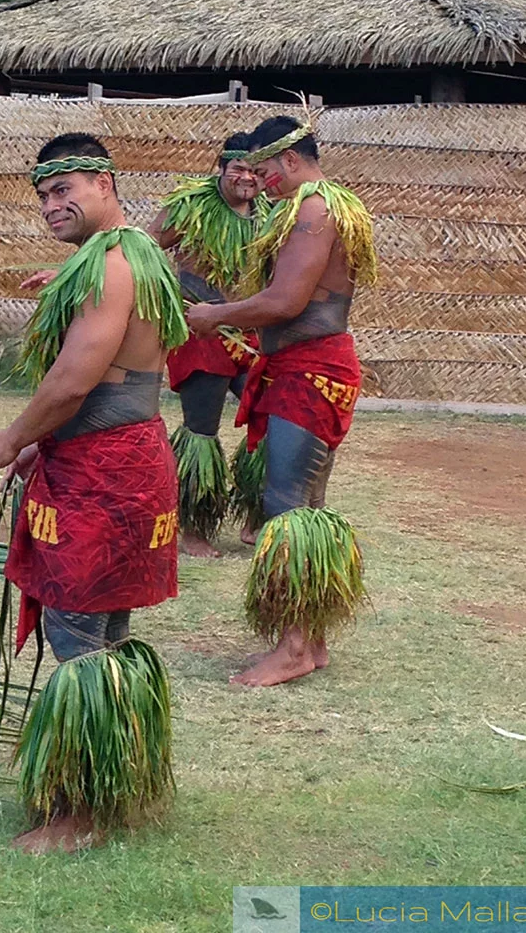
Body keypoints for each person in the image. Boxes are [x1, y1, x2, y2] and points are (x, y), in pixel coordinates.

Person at [0, 134, 186, 853]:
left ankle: (81, 815)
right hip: (131, 457)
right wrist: (42, 441)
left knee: (79, 643)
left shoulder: (112, 265)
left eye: (64, 189)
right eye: (42, 196)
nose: (51, 205)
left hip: (102, 472)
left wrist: (10, 437)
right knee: (108, 634)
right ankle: (118, 787)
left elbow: (75, 379)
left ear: (103, 182)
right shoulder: (135, 253)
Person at [187, 114, 375, 687]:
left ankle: (293, 647)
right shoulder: (320, 206)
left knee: (287, 503)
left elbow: (288, 299)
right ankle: (310, 641)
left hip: (311, 369)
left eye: (266, 171)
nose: (261, 181)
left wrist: (217, 314)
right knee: (305, 504)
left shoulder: (315, 210)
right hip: (304, 366)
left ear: (291, 161)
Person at [148, 133, 269, 557]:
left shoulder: (270, 214)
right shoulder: (191, 207)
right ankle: (194, 531)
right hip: (202, 334)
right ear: (220, 168)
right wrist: (173, 303)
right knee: (201, 433)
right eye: (238, 168)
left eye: (255, 170)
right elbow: (146, 249)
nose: (247, 177)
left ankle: (257, 519)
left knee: (270, 423)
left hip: (251, 337)